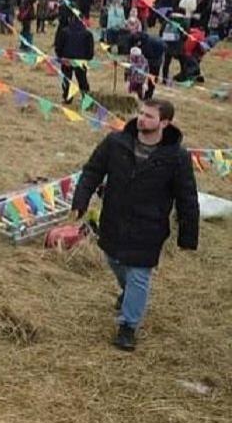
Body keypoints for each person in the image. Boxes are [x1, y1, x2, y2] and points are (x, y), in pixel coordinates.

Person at [68, 100, 199, 351]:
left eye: (149, 116)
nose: (141, 119)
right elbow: (92, 171)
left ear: (165, 123)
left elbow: (187, 197)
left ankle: (128, 326)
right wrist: (80, 201)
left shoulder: (177, 157)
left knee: (139, 273)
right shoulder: (116, 143)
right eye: (140, 113)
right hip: (113, 218)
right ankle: (129, 295)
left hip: (149, 226)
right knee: (114, 260)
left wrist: (188, 236)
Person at [53, 7, 94, 103]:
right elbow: (90, 50)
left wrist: (60, 57)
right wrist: (87, 58)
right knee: (82, 80)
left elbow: (58, 46)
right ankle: (85, 98)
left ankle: (67, 97)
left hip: (67, 59)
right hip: (81, 60)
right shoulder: (87, 34)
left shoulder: (64, 31)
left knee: (67, 79)